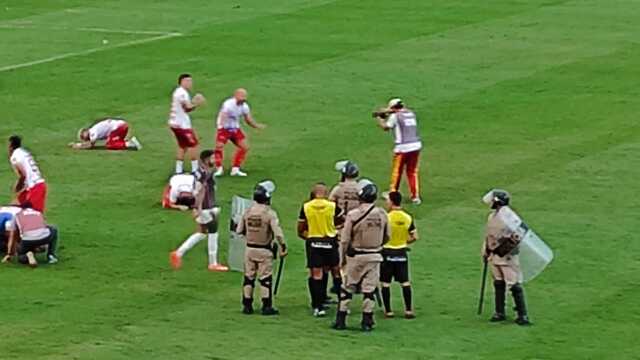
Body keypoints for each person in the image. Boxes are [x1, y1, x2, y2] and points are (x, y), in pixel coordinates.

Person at [334, 180, 389, 332]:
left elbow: (344, 240)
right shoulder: (382, 214)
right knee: (369, 290)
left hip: (356, 256)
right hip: (374, 255)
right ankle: (367, 321)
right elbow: (387, 236)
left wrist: (341, 258)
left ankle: (341, 319)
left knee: (348, 288)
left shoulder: (353, 215)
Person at [169, 150, 228, 272]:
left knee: (201, 233)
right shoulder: (204, 173)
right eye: (212, 158)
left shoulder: (199, 172)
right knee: (213, 233)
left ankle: (178, 253)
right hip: (207, 208)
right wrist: (198, 208)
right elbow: (200, 191)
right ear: (206, 160)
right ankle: (213, 263)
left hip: (206, 207)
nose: (215, 160)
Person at [236, 180, 287, 315]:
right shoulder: (269, 214)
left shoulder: (247, 212)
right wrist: (283, 246)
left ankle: (247, 305)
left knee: (248, 277)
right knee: (265, 278)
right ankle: (266, 306)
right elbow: (278, 233)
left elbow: (239, 230)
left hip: (249, 249)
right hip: (264, 249)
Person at [482, 189, 531, 326]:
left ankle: (522, 314)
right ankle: (499, 311)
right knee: (498, 282)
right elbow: (488, 236)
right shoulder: (492, 216)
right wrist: (485, 250)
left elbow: (519, 233)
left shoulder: (509, 217)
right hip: (494, 255)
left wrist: (504, 248)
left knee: (514, 284)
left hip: (507, 257)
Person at [297, 183, 343, 317]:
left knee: (316, 274)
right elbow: (342, 220)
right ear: (325, 193)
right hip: (330, 241)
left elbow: (300, 229)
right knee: (336, 272)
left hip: (313, 241)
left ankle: (318, 307)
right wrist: (335, 229)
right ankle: (343, 304)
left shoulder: (306, 207)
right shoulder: (332, 206)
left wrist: (308, 238)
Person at [374, 98, 423, 205]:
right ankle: (415, 197)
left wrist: (379, 118)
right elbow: (397, 110)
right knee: (412, 172)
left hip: (403, 148)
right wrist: (387, 111)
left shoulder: (395, 116)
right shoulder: (411, 113)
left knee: (397, 171)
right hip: (416, 146)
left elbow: (386, 127)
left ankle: (392, 193)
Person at [380, 191, 418, 319]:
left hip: (387, 252)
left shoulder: (386, 217)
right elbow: (415, 236)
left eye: (387, 200)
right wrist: (404, 241)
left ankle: (389, 311)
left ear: (391, 202)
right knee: (405, 282)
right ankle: (408, 310)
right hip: (401, 252)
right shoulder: (407, 217)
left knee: (385, 283)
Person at [213, 88, 266, 177]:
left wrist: (256, 126)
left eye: (245, 96)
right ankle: (219, 168)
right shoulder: (228, 104)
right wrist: (221, 127)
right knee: (219, 147)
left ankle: (235, 169)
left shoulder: (244, 106)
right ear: (236, 95)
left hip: (235, 129)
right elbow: (223, 115)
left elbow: (248, 119)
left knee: (245, 147)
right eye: (242, 96)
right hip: (224, 128)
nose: (244, 98)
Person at [327, 160, 361, 295]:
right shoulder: (360, 189)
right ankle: (356, 282)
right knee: (356, 256)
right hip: (358, 228)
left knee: (342, 258)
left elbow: (330, 207)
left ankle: (343, 284)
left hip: (342, 227)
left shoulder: (338, 189)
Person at [168, 73, 206, 174]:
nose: (190, 83)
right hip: (182, 125)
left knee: (182, 146)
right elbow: (187, 107)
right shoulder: (182, 93)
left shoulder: (179, 92)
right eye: (188, 81)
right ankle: (195, 170)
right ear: (182, 82)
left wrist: (193, 103)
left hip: (175, 124)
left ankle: (178, 170)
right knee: (193, 145)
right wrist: (197, 102)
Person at [8, 136, 48, 213]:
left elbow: (22, 177)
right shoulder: (24, 152)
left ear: (11, 147)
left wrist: (16, 188)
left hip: (35, 187)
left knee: (33, 215)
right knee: (14, 206)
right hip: (36, 186)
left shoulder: (14, 157)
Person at [69, 117, 142, 150]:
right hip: (121, 126)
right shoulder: (93, 130)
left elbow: (90, 145)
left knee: (110, 144)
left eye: (82, 135)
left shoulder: (92, 132)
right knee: (113, 142)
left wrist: (77, 146)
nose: (83, 137)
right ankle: (127, 143)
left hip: (119, 127)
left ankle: (131, 144)